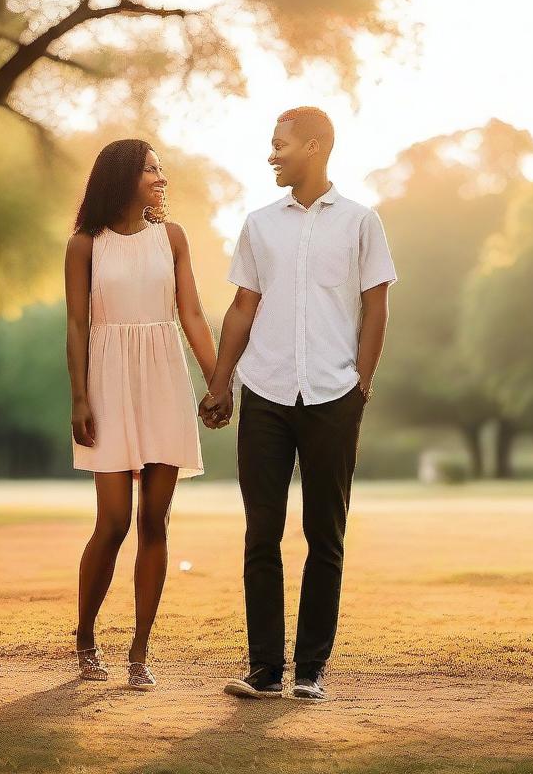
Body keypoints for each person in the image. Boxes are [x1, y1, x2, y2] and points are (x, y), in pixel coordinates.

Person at [200, 106, 398, 702]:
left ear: (315, 146)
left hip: (334, 396)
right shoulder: (259, 224)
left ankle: (311, 670)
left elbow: (376, 311)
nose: (271, 155)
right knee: (261, 533)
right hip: (266, 391)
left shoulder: (363, 223)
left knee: (324, 535)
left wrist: (360, 388)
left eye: (280, 144)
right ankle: (265, 671)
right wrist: (219, 382)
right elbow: (242, 308)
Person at [65, 138, 219, 689]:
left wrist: (218, 379)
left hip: (163, 378)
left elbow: (193, 313)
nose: (161, 177)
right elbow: (78, 326)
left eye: (161, 168)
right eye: (151, 169)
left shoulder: (171, 238)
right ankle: (85, 638)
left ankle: (139, 650)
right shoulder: (86, 244)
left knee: (155, 520)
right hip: (107, 381)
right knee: (113, 523)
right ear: (122, 176)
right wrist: (79, 397)